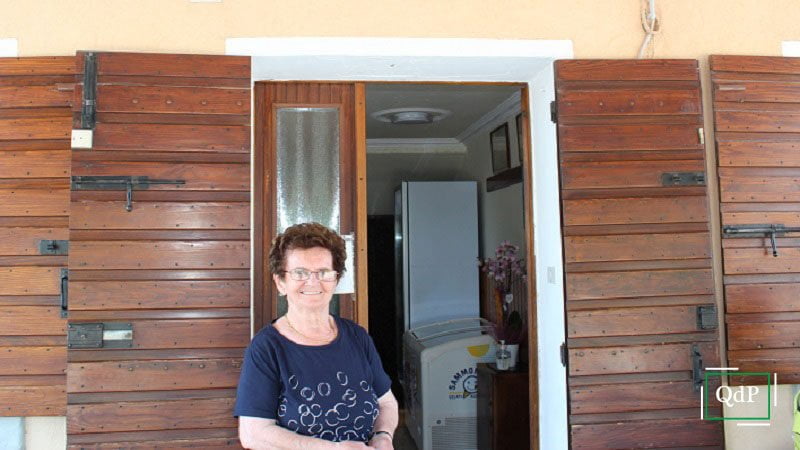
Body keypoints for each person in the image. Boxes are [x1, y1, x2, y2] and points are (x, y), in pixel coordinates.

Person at [235, 222, 398, 450]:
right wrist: (334, 449)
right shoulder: (267, 348)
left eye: (323, 272)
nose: (313, 281)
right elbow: (253, 434)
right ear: (280, 282)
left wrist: (383, 436)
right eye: (300, 273)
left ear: (336, 280)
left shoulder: (357, 336)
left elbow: (386, 402)